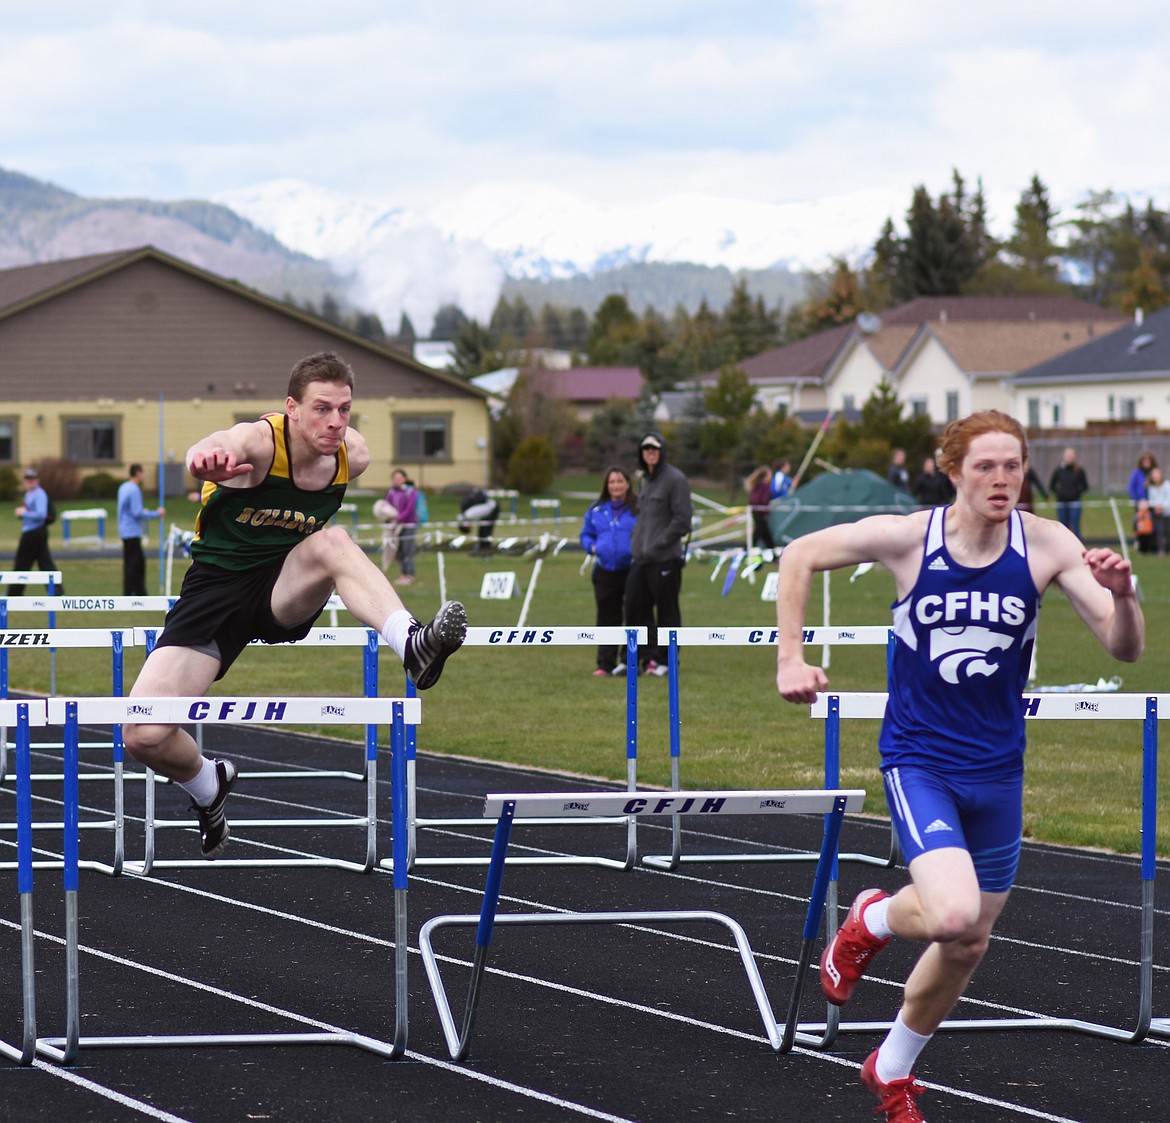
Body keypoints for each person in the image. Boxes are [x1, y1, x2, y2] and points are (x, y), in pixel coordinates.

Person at [775, 409, 1143, 1123]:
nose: (1003, 479)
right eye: (986, 466)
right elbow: (798, 555)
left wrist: (1125, 594)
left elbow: (1124, 648)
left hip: (999, 770)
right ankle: (873, 917)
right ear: (953, 471)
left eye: (1014, 465)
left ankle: (891, 1068)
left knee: (969, 940)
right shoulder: (912, 539)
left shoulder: (1046, 543)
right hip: (920, 758)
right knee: (952, 910)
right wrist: (790, 655)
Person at [121, 351, 467, 859]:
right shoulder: (263, 442)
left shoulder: (354, 455)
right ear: (292, 408)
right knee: (143, 734)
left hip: (285, 586)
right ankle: (208, 786)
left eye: (344, 409)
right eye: (322, 408)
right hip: (215, 592)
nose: (334, 422)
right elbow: (223, 441)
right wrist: (202, 458)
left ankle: (412, 642)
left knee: (333, 543)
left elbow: (338, 499)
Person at [625, 432, 692, 677]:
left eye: (654, 448)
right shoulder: (647, 480)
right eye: (645, 449)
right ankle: (648, 657)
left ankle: (668, 660)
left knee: (667, 612)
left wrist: (657, 544)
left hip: (665, 559)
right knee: (635, 608)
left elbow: (682, 520)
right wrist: (638, 544)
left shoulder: (675, 479)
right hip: (641, 559)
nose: (650, 452)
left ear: (662, 451)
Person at [579, 467, 638, 676]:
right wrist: (593, 547)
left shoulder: (637, 509)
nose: (616, 486)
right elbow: (585, 535)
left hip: (632, 569)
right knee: (607, 617)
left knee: (634, 616)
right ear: (607, 485)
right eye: (612, 482)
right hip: (605, 570)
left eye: (620, 481)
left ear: (628, 484)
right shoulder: (596, 510)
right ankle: (605, 663)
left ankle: (629, 662)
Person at [117, 463, 165, 595]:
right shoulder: (134, 489)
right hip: (132, 531)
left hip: (124, 530)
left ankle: (131, 591)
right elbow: (137, 512)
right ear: (138, 473)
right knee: (136, 564)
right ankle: (136, 592)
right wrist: (157, 513)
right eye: (142, 473)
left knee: (130, 563)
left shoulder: (123, 487)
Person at [10, 467, 58, 595]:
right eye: (27, 479)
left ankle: (13, 594)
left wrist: (24, 513)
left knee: (22, 563)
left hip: (35, 532)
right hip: (31, 531)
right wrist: (22, 512)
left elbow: (41, 515)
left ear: (37, 480)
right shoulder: (28, 494)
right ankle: (58, 593)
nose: (30, 482)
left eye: (32, 479)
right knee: (45, 562)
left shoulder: (39, 494)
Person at [384, 468, 418, 585]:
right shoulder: (392, 492)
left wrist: (398, 519)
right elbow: (387, 506)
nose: (397, 480)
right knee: (400, 551)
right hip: (396, 527)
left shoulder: (411, 492)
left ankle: (410, 575)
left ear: (404, 478)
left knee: (408, 550)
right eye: (395, 478)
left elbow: (410, 509)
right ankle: (403, 574)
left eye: (400, 478)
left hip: (408, 525)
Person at [1049, 446, 1089, 538]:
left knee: (1075, 526)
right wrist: (1059, 493)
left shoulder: (1079, 470)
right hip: (1062, 502)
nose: (1070, 458)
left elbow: (1085, 486)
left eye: (1071, 456)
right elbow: (1052, 485)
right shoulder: (1059, 470)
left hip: (1074, 502)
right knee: (1063, 526)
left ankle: (1078, 548)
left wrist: (1076, 492)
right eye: (1068, 456)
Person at [459, 487, 500, 555]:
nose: (471, 525)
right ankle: (482, 548)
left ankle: (486, 550)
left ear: (466, 525)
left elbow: (486, 509)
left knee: (485, 531)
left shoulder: (469, 514)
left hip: (493, 509)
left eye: (469, 527)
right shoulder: (464, 513)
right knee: (482, 531)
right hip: (488, 509)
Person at [747, 466, 776, 550]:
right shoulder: (765, 486)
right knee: (759, 532)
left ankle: (772, 551)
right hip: (760, 511)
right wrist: (766, 512)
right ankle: (746, 550)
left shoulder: (757, 485)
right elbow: (764, 500)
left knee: (764, 533)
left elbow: (753, 499)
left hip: (755, 510)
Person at [1145, 466, 1170, 554]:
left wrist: (1161, 507)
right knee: (1160, 531)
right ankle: (1161, 550)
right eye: (1154, 475)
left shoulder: (1167, 485)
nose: (1156, 476)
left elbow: (1168, 500)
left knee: (1168, 531)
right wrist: (1156, 507)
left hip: (1168, 512)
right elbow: (1151, 501)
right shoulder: (1151, 488)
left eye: (1157, 474)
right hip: (1158, 514)